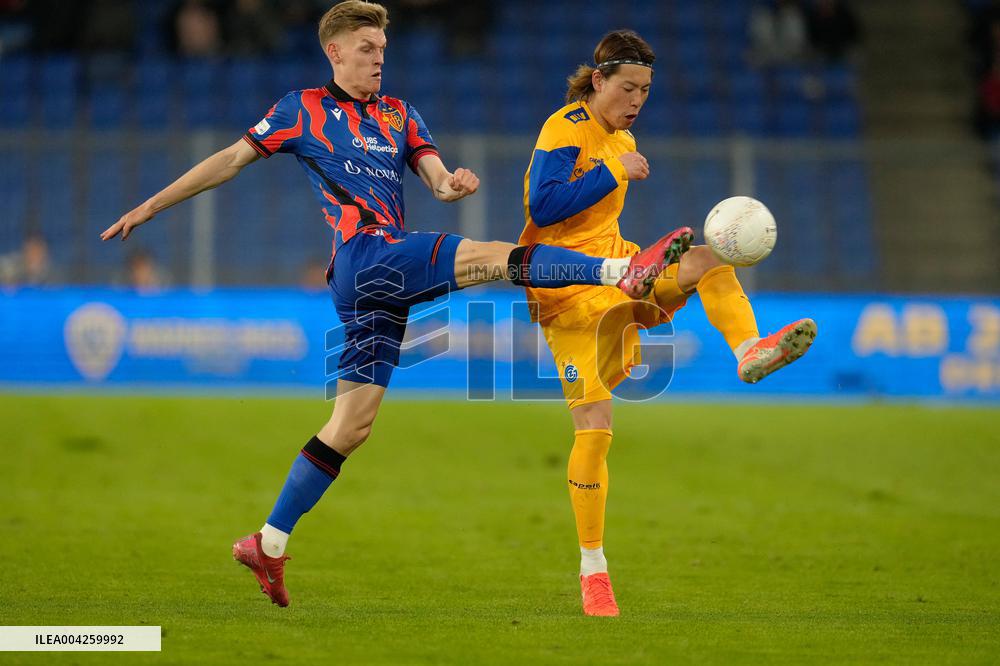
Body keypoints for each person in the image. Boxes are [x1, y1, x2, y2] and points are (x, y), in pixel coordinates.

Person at [100, 0, 692, 607]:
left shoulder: (401, 115)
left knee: (351, 426)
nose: (379, 58)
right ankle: (621, 270)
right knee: (500, 256)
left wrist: (453, 184)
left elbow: (435, 181)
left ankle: (268, 543)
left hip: (380, 286)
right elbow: (229, 160)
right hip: (365, 256)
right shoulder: (299, 109)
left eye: (383, 49)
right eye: (366, 48)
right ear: (333, 52)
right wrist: (149, 206)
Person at [519, 30, 817, 616]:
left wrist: (616, 161)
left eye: (646, 90)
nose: (637, 100)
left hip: (617, 274)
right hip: (563, 294)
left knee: (707, 259)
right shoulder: (566, 127)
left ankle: (749, 348)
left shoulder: (620, 135)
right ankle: (593, 571)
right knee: (595, 429)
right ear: (598, 79)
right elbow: (542, 206)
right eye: (628, 87)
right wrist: (615, 168)